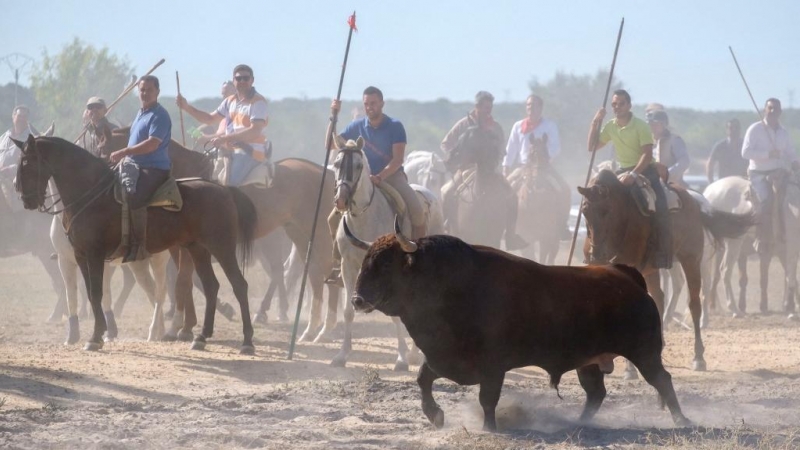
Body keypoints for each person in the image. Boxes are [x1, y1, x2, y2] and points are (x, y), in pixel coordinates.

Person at [325, 86, 425, 283]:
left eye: (373, 103)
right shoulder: (356, 126)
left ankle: (418, 257)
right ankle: (339, 262)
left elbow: (397, 159)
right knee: (332, 218)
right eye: (366, 104)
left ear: (381, 104)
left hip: (391, 177)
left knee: (417, 210)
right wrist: (333, 117)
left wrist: (380, 176)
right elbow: (331, 144)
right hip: (361, 180)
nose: (369, 107)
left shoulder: (395, 126)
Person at [588, 89, 672, 268]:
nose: (617, 108)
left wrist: (634, 175)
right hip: (622, 170)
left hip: (645, 169)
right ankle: (598, 247)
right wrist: (596, 121)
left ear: (629, 105)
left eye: (621, 104)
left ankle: (662, 252)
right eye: (614, 105)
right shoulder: (610, 126)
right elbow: (592, 146)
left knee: (661, 206)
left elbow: (647, 154)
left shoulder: (640, 125)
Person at [439, 91, 527, 250]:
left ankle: (510, 235)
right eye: (486, 107)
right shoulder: (463, 124)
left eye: (490, 108)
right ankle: (447, 225)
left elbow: (502, 150)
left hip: (490, 170)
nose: (489, 111)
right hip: (466, 169)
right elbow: (446, 144)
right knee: (447, 191)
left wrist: (495, 155)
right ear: (477, 107)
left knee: (512, 196)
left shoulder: (495, 127)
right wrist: (457, 156)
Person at [109, 75, 172, 263]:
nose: (145, 93)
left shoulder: (160, 115)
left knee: (133, 194)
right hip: (134, 165)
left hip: (154, 168)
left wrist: (125, 151)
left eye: (149, 90)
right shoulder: (140, 113)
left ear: (157, 92)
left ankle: (139, 246)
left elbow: (152, 144)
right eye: (142, 90)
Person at [176, 64, 269, 185]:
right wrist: (186, 107)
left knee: (229, 186)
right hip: (228, 149)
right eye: (238, 78)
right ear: (234, 80)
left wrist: (223, 138)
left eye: (245, 78)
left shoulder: (258, 102)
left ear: (252, 80)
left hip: (248, 151)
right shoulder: (230, 101)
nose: (242, 81)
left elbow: (255, 130)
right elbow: (209, 118)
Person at [504, 94, 571, 238]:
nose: (531, 108)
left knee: (564, 188)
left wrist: (545, 159)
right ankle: (507, 225)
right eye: (528, 105)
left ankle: (562, 225)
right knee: (505, 190)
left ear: (540, 108)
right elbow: (511, 148)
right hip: (523, 167)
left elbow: (555, 147)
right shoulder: (518, 126)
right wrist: (506, 166)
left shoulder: (549, 125)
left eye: (534, 105)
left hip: (544, 167)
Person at [741, 98, 799, 254]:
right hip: (759, 174)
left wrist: (795, 162)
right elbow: (745, 153)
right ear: (764, 110)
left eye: (776, 109)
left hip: (779, 173)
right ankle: (763, 237)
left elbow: (791, 152)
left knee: (792, 198)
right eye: (770, 108)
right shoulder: (755, 129)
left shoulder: (784, 132)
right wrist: (768, 154)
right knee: (766, 200)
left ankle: (786, 232)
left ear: (780, 112)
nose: (772, 111)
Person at [647, 109, 690, 187]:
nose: (652, 127)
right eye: (650, 124)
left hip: (672, 184)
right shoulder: (646, 142)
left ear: (664, 125)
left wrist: (667, 174)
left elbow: (684, 161)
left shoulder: (674, 140)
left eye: (656, 124)